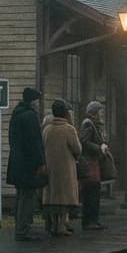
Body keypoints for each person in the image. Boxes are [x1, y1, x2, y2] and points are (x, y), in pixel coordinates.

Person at [6, 87, 46, 240]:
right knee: (28, 196)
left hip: (16, 160)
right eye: (37, 101)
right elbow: (35, 142)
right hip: (27, 163)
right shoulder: (30, 116)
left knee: (21, 195)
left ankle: (20, 226)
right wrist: (40, 162)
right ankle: (23, 230)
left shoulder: (16, 114)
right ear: (34, 101)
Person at [42, 99, 82, 236]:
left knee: (52, 196)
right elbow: (77, 149)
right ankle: (62, 226)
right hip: (66, 168)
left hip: (50, 167)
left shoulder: (47, 129)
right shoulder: (69, 129)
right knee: (64, 198)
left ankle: (53, 224)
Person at [78, 100, 112, 230]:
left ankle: (93, 220)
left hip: (93, 162)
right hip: (89, 162)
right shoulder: (88, 124)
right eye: (99, 112)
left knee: (94, 191)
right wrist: (99, 148)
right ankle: (89, 220)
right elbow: (84, 142)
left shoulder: (95, 125)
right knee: (91, 192)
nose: (101, 114)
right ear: (94, 113)